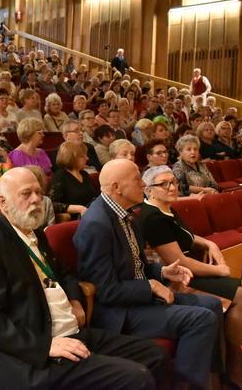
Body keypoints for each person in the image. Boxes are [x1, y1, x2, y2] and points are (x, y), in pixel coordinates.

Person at [0, 167, 167, 390]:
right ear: (2, 202)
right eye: (26, 194)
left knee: (155, 354)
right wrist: (45, 346)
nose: (36, 199)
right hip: (39, 352)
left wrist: (75, 300)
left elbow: (64, 273)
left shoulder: (34, 230)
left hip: (74, 333)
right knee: (137, 377)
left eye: (38, 192)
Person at [74, 159, 222, 388]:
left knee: (212, 304)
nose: (143, 184)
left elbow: (136, 266)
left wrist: (162, 272)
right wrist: (150, 286)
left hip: (137, 297)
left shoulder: (126, 213)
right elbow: (106, 291)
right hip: (119, 312)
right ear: (117, 187)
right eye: (136, 179)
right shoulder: (96, 224)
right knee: (200, 319)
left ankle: (216, 378)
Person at [140, 166, 242, 390]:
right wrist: (219, 270)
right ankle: (234, 368)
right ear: (149, 190)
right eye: (164, 184)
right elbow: (181, 262)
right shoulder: (152, 217)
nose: (172, 187)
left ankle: (241, 361)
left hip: (187, 272)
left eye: (173, 182)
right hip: (175, 279)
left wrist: (209, 243)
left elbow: (187, 237)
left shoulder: (166, 209)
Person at [49, 141, 98, 218]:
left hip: (92, 214)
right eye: (82, 156)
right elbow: (52, 204)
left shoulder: (84, 174)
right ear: (72, 158)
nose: (87, 158)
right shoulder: (60, 176)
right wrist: (79, 209)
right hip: (76, 218)